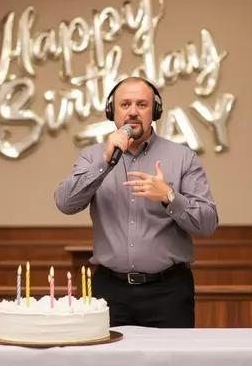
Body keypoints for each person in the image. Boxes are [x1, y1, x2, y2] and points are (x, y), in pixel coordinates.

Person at [54, 76, 219, 328]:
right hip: (108, 291)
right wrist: (104, 163)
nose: (133, 111)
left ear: (155, 111)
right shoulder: (92, 156)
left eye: (142, 104)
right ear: (112, 111)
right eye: (125, 104)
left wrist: (169, 196)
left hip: (168, 292)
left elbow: (207, 223)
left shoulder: (183, 157)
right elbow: (65, 203)